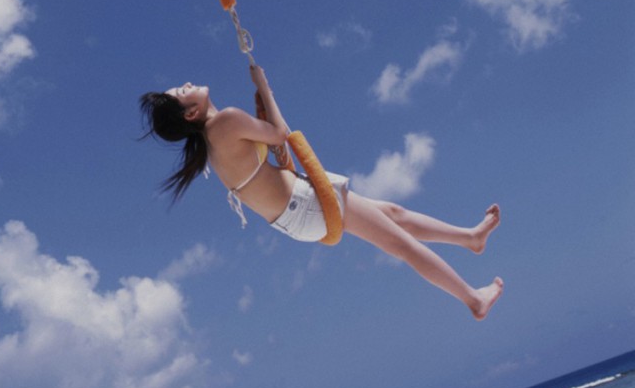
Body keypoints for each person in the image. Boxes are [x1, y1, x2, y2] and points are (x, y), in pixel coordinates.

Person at [141, 64, 503, 320]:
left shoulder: (215, 141)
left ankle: (470, 238)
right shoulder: (225, 122)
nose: (186, 84)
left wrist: (263, 102)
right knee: (401, 245)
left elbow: (274, 150)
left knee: (393, 215)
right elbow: (280, 135)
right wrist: (264, 86)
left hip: (297, 213)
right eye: (182, 92)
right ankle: (473, 299)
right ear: (190, 113)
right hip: (306, 204)